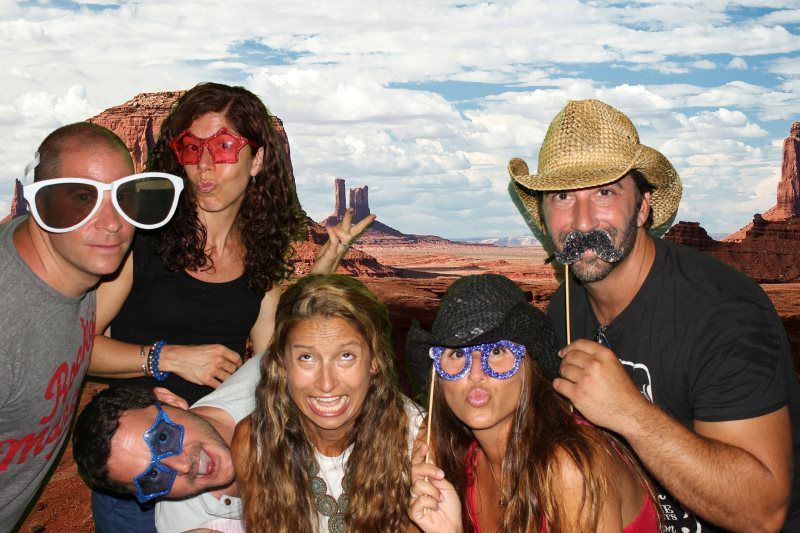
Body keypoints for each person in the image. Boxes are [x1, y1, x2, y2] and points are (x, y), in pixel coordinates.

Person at [86, 83, 372, 531]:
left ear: (256, 160)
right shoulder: (141, 240)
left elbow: (276, 357)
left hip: (221, 462)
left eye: (223, 147)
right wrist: (168, 356)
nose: (204, 165)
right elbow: (76, 350)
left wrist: (321, 273)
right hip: (149, 469)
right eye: (191, 147)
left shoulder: (262, 255)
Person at [508, 98, 800, 531]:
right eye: (563, 196)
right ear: (544, 216)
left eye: (605, 192)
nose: (583, 220)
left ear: (643, 206)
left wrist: (628, 411)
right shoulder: (565, 308)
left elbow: (763, 513)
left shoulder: (722, 313)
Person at [0, 122, 182, 530]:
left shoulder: (73, 278)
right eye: (80, 199)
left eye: (125, 199)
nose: (111, 223)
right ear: (39, 203)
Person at [405, 273, 659, 532]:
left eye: (496, 351)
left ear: (529, 364)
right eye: (458, 353)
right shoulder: (454, 459)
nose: (476, 374)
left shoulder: (568, 467)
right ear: (438, 376)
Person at [232, 274, 424, 532]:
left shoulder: (417, 439)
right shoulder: (255, 442)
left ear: (374, 361)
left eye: (345, 356)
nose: (326, 383)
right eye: (306, 357)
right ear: (282, 364)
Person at [72, 353, 263, 533]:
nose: (183, 465)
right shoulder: (184, 526)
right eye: (154, 476)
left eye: (163, 438)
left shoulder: (276, 377)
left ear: (170, 400)